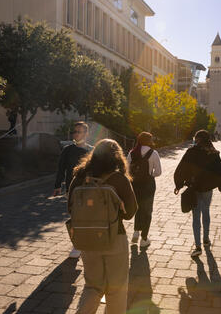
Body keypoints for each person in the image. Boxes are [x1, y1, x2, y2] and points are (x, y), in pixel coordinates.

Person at [69, 139, 138, 314]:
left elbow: (71, 207)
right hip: (115, 238)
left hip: (87, 240)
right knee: (117, 288)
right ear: (117, 157)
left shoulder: (79, 177)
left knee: (93, 286)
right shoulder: (119, 179)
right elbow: (131, 212)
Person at [173, 130, 221, 257]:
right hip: (207, 188)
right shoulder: (213, 153)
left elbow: (181, 168)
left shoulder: (191, 152)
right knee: (206, 211)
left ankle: (197, 246)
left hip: (194, 188)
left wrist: (178, 184)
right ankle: (206, 239)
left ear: (197, 139)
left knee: (195, 216)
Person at [53, 121, 93, 259]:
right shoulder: (67, 150)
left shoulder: (91, 150)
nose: (75, 134)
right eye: (74, 131)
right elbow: (61, 168)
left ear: (86, 134)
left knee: (86, 217)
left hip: (88, 190)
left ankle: (84, 243)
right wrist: (57, 185)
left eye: (79, 131)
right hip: (71, 189)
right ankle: (77, 245)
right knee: (75, 217)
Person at [127, 132, 162, 248]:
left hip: (135, 185)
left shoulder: (132, 153)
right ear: (149, 140)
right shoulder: (153, 153)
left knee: (138, 208)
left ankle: (136, 231)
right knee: (147, 211)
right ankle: (144, 238)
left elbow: (127, 170)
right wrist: (150, 174)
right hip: (148, 185)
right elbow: (158, 172)